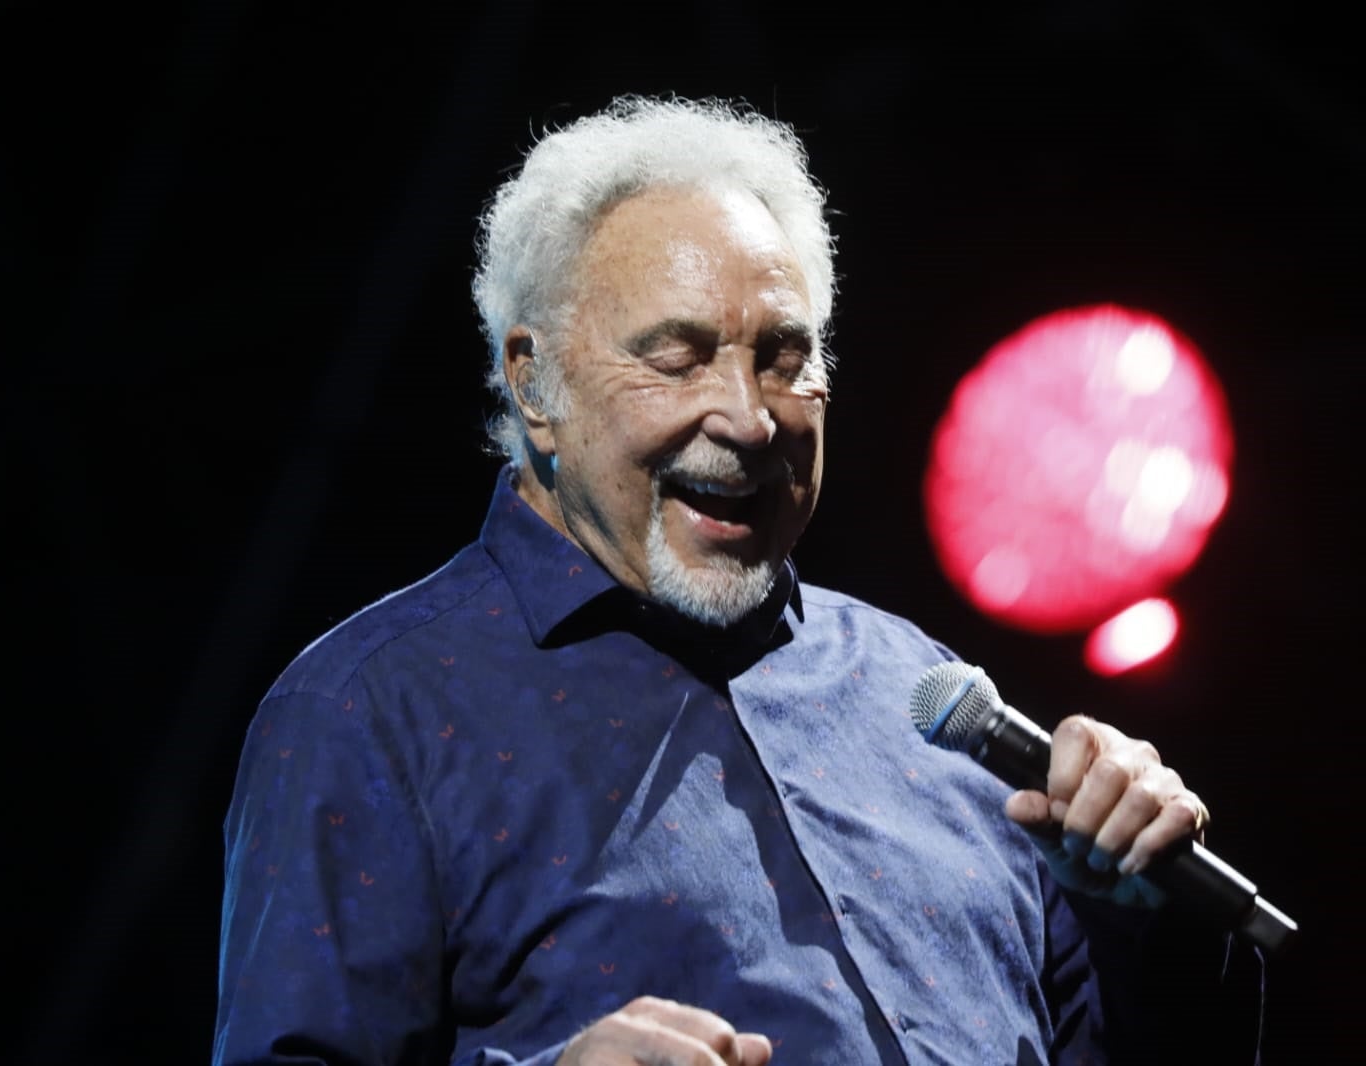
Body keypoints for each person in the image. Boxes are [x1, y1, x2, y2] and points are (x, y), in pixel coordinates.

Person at [212, 94, 1263, 1065]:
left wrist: (1149, 920)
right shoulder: (370, 710)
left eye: (781, 356)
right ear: (534, 383)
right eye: (675, 357)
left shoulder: (920, 693)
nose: (749, 419)